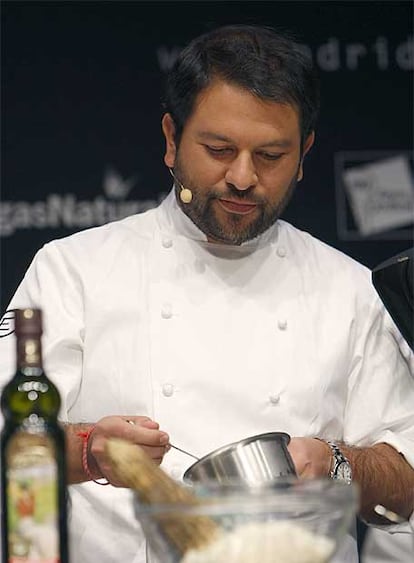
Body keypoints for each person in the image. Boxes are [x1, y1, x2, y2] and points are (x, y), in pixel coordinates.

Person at [0, 24, 413, 563]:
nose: (242, 178)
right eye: (219, 149)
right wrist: (88, 451)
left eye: (270, 156)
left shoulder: (351, 288)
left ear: (305, 152)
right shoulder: (73, 270)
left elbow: (406, 480)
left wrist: (337, 463)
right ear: (171, 139)